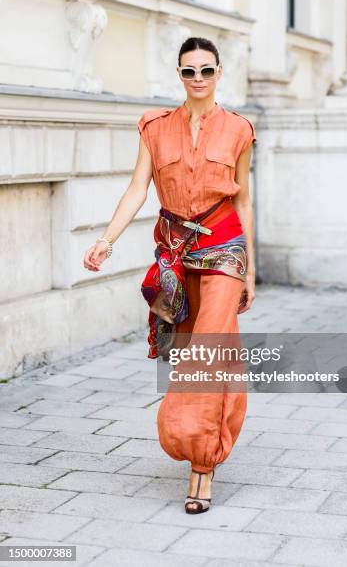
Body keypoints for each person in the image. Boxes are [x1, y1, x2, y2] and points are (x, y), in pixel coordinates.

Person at [83, 36, 256, 514]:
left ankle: (199, 464)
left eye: (206, 70)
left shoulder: (241, 128)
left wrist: (251, 271)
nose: (198, 79)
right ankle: (211, 439)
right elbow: (138, 188)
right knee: (194, 347)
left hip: (224, 248)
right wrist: (107, 239)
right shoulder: (154, 127)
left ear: (220, 72)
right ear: (178, 75)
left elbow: (242, 200)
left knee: (207, 348)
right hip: (176, 250)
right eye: (188, 71)